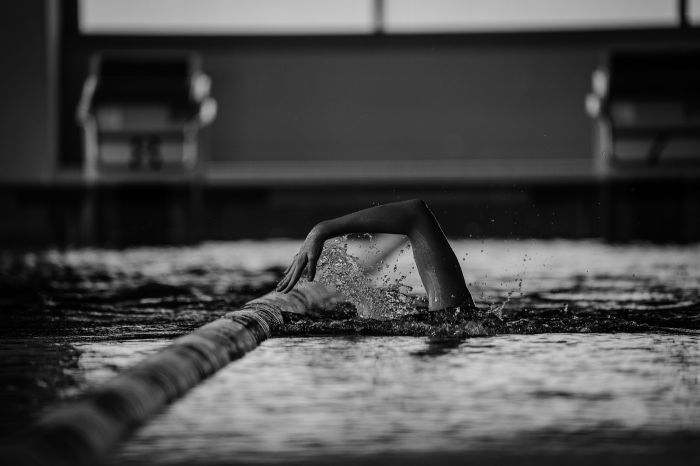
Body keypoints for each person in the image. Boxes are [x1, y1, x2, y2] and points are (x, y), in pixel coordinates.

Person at [277, 199, 475, 312]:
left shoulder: (452, 318)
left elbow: (416, 215)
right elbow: (416, 214)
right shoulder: (455, 318)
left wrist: (321, 230)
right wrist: (321, 230)